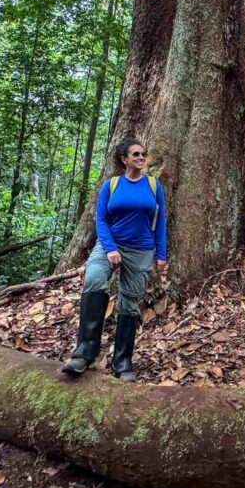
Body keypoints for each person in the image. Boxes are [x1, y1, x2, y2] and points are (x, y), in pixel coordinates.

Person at [61, 138, 167, 381]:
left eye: (143, 154)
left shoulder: (153, 186)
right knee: (94, 280)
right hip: (109, 245)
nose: (141, 158)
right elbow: (100, 219)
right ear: (124, 159)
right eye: (136, 154)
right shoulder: (112, 185)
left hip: (141, 251)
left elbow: (160, 222)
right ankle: (84, 353)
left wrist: (161, 254)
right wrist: (109, 248)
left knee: (129, 304)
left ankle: (122, 361)